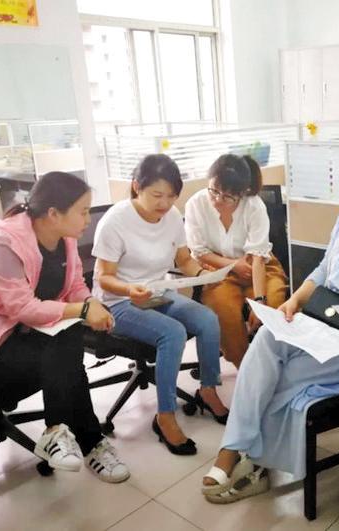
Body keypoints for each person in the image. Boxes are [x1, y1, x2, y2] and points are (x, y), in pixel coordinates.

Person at [200, 142, 339, 503]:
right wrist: (294, 301)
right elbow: (324, 271)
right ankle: (234, 449)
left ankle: (255, 464)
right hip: (324, 324)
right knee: (267, 339)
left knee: (279, 378)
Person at [0, 172, 129, 483]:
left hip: (18, 340)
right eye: (83, 211)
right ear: (53, 214)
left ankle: (62, 433)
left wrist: (90, 303)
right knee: (66, 350)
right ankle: (85, 441)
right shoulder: (3, 243)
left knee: (67, 342)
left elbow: (74, 286)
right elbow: (23, 308)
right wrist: (82, 310)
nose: (88, 220)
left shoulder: (65, 238)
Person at [92, 154, 226, 456]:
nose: (164, 203)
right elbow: (103, 278)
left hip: (155, 292)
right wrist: (130, 289)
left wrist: (203, 275)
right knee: (173, 333)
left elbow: (184, 260)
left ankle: (207, 390)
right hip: (117, 301)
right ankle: (165, 415)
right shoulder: (115, 221)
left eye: (171, 196)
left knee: (207, 319)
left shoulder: (172, 216)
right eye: (156, 195)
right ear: (136, 186)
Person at [184, 154, 288, 368]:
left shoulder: (254, 206)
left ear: (242, 193)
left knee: (273, 309)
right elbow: (199, 251)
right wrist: (233, 265)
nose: (217, 200)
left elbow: (258, 259)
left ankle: (275, 366)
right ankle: (247, 369)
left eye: (227, 196)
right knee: (223, 311)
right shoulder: (196, 204)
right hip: (217, 268)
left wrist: (259, 302)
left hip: (259, 266)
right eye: (214, 191)